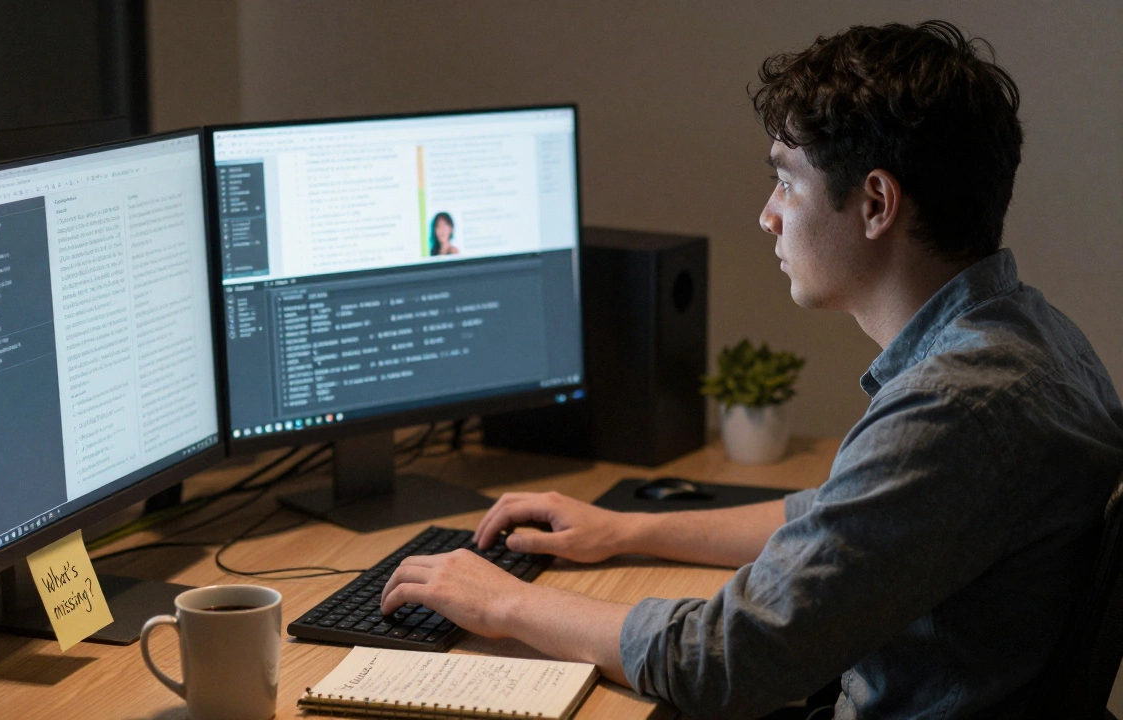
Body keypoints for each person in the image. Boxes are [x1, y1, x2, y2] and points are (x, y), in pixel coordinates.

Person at [381, 20, 1123, 719]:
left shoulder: (954, 408)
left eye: (787, 182)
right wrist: (623, 529)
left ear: (876, 203)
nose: (768, 215)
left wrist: (505, 603)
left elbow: (728, 660)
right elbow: (838, 520)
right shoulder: (1035, 338)